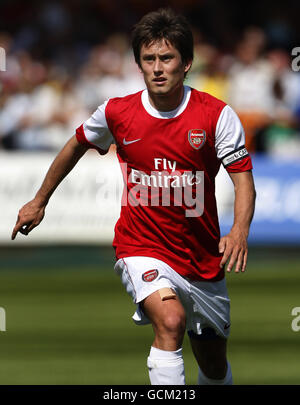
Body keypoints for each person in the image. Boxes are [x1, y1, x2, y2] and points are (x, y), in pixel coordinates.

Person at [12, 8, 256, 385]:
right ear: (139, 64)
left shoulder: (217, 116)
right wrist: (39, 200)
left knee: (213, 364)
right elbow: (76, 144)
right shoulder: (116, 113)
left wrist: (239, 229)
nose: (158, 68)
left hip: (203, 256)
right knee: (170, 322)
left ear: (186, 63)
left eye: (167, 58)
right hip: (141, 245)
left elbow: (243, 180)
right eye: (149, 59)